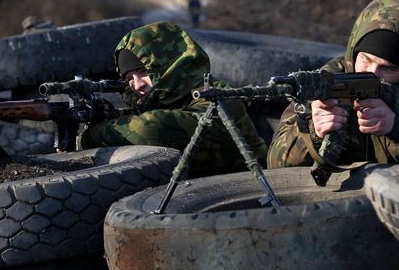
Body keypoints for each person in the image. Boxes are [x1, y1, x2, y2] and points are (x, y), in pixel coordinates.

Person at [267, 0, 399, 170]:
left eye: (389, 68)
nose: (373, 73)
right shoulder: (329, 79)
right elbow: (275, 165)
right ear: (354, 52)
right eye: (366, 60)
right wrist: (313, 133)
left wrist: (398, 127)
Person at [79, 21, 268, 177]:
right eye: (129, 79)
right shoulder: (157, 101)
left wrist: (90, 136)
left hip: (253, 188)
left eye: (143, 72)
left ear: (169, 64)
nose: (137, 85)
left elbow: (152, 129)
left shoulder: (217, 93)